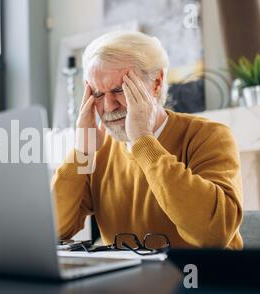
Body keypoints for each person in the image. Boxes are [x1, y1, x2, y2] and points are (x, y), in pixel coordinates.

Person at [52, 31, 243, 249]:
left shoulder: (210, 136)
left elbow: (213, 234)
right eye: (97, 94)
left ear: (157, 83)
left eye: (119, 90)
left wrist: (143, 140)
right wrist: (81, 154)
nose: (108, 106)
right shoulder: (96, 151)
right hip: (129, 281)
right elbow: (55, 230)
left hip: (202, 279)